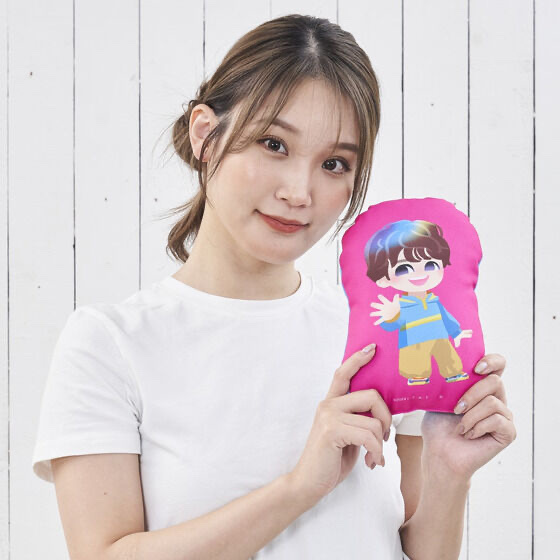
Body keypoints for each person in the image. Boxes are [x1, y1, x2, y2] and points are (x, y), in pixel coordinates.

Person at [31, 14, 516, 560]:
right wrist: (300, 488)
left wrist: (449, 474)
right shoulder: (110, 343)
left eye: (334, 163)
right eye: (274, 144)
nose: (300, 192)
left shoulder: (373, 334)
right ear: (205, 136)